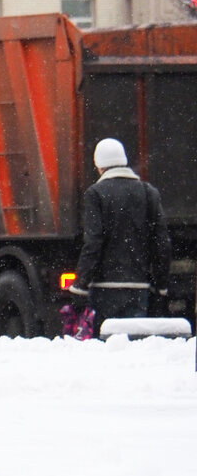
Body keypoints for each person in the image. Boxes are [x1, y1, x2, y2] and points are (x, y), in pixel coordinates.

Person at [68, 137, 171, 332]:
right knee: (133, 346)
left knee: (109, 347)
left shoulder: (96, 194)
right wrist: (161, 286)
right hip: (140, 287)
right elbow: (162, 243)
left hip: (104, 290)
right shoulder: (149, 192)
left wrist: (80, 286)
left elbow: (93, 243)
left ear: (99, 166)